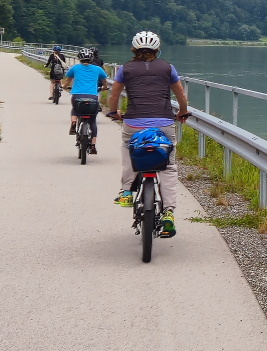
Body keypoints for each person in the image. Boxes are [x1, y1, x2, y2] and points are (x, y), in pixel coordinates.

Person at [104, 31, 190, 238]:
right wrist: (182, 112)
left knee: (129, 149)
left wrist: (114, 112)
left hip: (134, 123)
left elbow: (114, 95)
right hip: (164, 123)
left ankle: (126, 192)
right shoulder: (168, 68)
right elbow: (180, 93)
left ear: (134, 49)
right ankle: (168, 212)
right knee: (168, 166)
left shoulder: (125, 68)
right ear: (157, 49)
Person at [61, 49, 109, 147]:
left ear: (79, 58)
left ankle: (74, 122)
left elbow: (67, 81)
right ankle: (93, 145)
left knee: (75, 109)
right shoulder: (97, 69)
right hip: (93, 97)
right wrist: (103, 87)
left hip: (77, 96)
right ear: (91, 59)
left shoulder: (75, 68)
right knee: (92, 121)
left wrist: (64, 87)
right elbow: (105, 81)